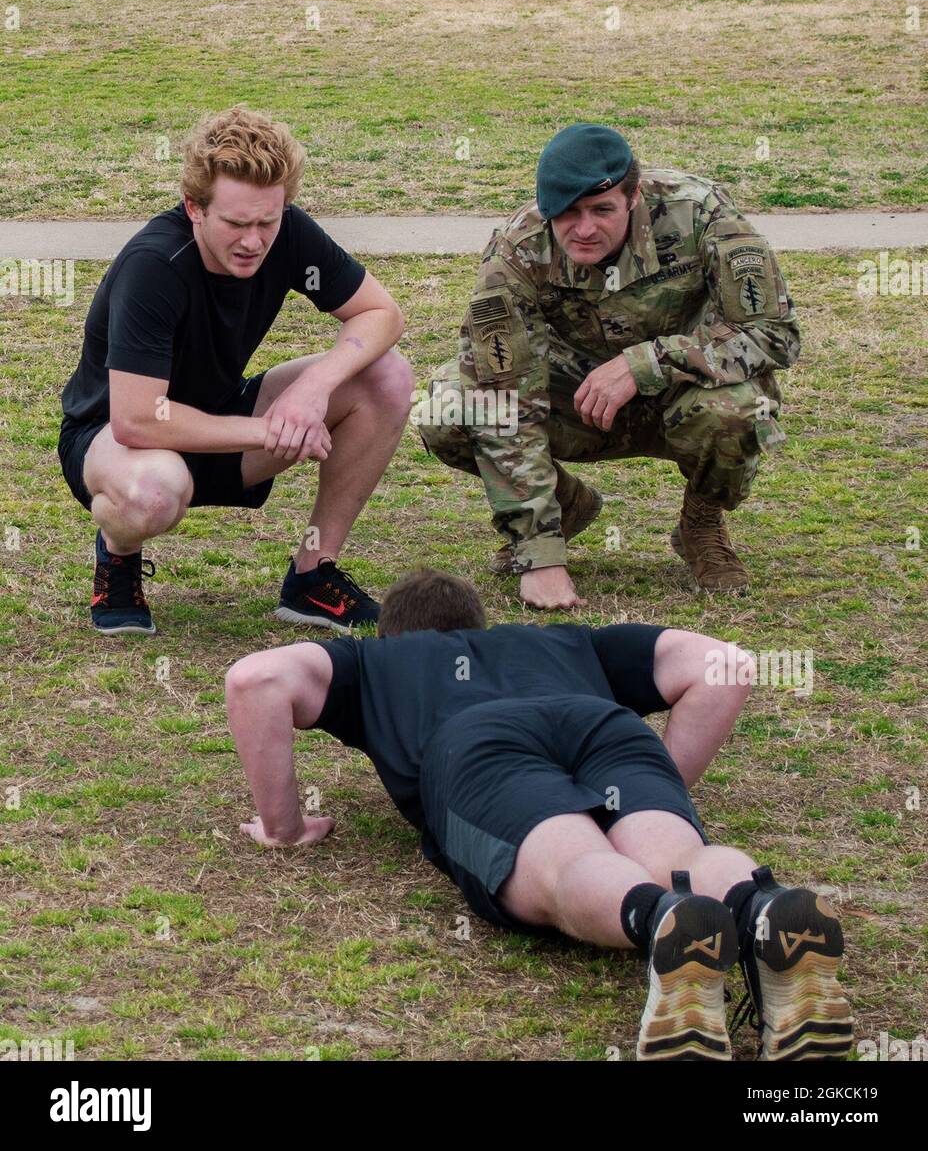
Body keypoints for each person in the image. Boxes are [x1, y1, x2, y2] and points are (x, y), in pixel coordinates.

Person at [225, 570, 852, 1061]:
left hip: (478, 746)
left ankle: (657, 917)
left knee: (573, 864)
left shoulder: (373, 661)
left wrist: (285, 829)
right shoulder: (567, 641)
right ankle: (762, 906)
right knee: (677, 859)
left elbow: (255, 679)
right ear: (481, 623)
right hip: (604, 727)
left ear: (391, 633)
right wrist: (656, 792)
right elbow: (725, 665)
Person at [414, 123, 801, 610]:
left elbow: (775, 333)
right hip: (576, 400)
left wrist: (648, 362)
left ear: (634, 196)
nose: (585, 229)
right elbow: (505, 394)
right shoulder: (517, 250)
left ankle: (700, 525)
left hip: (683, 394)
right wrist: (540, 552)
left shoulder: (698, 212)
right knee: (449, 409)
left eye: (602, 210)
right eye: (568, 212)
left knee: (742, 409)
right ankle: (566, 504)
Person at [58, 106, 413, 635]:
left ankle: (313, 576)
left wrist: (313, 391)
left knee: (387, 376)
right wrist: (271, 429)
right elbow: (137, 419)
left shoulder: (289, 233)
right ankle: (119, 556)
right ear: (195, 208)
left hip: (219, 421)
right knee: (154, 489)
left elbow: (382, 313)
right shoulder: (154, 265)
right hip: (117, 445)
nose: (253, 241)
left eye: (267, 222)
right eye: (235, 223)